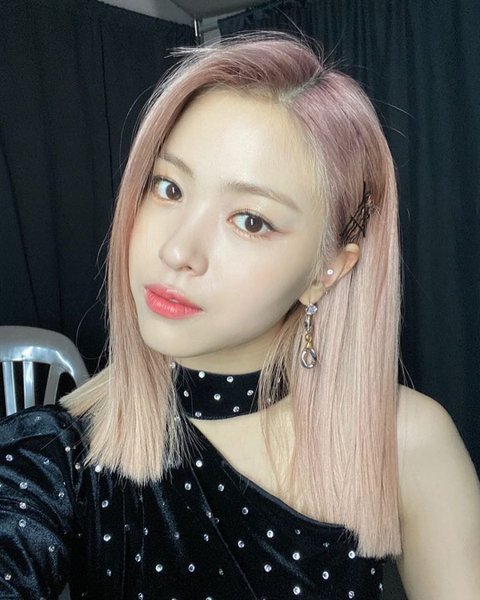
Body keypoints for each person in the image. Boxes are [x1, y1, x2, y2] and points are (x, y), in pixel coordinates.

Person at [0, 31, 479, 600]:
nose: (178, 250)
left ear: (326, 270)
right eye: (168, 187)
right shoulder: (57, 457)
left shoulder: (404, 441)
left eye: (250, 220)